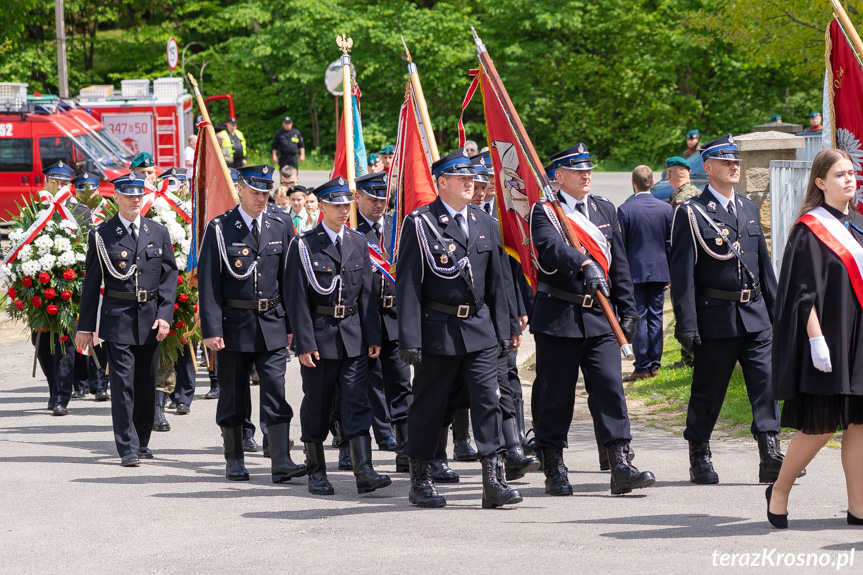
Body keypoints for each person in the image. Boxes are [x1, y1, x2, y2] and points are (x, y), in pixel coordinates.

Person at [396, 147, 522, 509]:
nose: (471, 183)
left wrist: (506, 327)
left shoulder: (485, 222)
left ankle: (492, 480)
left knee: (488, 403)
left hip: (480, 329)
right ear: (442, 183)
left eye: (472, 178)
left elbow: (498, 282)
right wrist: (410, 338)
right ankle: (420, 477)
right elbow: (408, 284)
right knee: (429, 406)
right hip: (439, 330)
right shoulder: (421, 223)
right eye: (462, 178)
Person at [529, 143, 654, 496]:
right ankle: (553, 464)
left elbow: (621, 263)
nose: (586, 175)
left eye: (588, 169)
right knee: (557, 395)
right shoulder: (546, 211)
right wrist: (583, 263)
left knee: (610, 389)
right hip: (560, 317)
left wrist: (628, 310)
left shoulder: (604, 207)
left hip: (600, 318)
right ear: (559, 176)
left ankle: (620, 464)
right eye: (576, 170)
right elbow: (551, 248)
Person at [670, 134, 789, 485]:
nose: (734, 166)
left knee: (765, 385)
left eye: (736, 160)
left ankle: (769, 451)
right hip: (715, 317)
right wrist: (687, 326)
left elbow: (764, 268)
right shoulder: (691, 214)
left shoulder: (749, 208)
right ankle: (699, 451)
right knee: (709, 390)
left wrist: (778, 313)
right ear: (708, 168)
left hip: (754, 315)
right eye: (726, 161)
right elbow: (682, 277)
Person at [766, 149, 863, 529]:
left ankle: (858, 506)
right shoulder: (809, 230)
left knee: (858, 423)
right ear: (821, 182)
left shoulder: (857, 225)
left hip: (858, 339)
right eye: (839, 175)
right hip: (826, 338)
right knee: (821, 426)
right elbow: (801, 294)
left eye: (852, 173)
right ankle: (781, 488)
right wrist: (816, 340)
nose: (849, 179)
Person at [198, 164, 305, 483]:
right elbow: (208, 283)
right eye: (255, 192)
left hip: (272, 321)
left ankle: (281, 458)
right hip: (233, 325)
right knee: (233, 393)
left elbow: (290, 278)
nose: (261, 198)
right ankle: (234, 457)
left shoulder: (281, 222)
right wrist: (212, 329)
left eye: (266, 192)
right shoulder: (220, 227)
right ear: (240, 189)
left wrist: (292, 325)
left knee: (275, 388)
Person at [286, 176, 390, 497]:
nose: (344, 209)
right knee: (317, 404)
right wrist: (303, 343)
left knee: (357, 402)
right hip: (320, 336)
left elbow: (367, 296)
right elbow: (296, 299)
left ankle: (364, 470)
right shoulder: (304, 245)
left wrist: (373, 336)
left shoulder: (358, 242)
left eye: (347, 203)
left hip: (354, 336)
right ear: (323, 206)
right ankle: (317, 470)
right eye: (337, 204)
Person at [76, 172, 178, 466]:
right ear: (116, 197)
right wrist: (85, 327)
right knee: (122, 384)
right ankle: (127, 446)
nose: (135, 200)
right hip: (117, 318)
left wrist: (165, 316)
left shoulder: (157, 232)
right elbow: (92, 283)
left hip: (150, 320)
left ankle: (142, 440)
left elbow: (169, 277)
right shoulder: (102, 234)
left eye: (139, 195)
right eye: (129, 195)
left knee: (146, 383)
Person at [354, 171, 413, 470]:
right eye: (372, 197)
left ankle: (405, 448)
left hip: (396, 317)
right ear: (358, 197)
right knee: (367, 383)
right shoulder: (351, 230)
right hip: (365, 317)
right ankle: (375, 437)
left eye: (383, 198)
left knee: (402, 383)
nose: (379, 204)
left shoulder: (396, 227)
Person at [617, 165, 673, 381]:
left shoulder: (625, 209)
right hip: (660, 270)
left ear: (633, 183)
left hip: (635, 271)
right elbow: (670, 244)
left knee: (639, 316)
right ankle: (654, 364)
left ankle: (642, 366)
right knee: (656, 316)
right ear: (651, 182)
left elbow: (620, 246)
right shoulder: (666, 209)